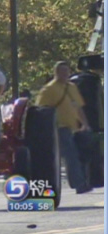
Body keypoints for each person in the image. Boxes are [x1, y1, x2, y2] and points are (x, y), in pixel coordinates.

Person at [35, 61, 93, 194]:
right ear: (56, 72)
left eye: (66, 71)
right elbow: (41, 110)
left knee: (82, 153)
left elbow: (78, 106)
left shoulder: (72, 87)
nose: (65, 74)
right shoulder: (49, 89)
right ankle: (79, 184)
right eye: (61, 71)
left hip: (74, 127)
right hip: (59, 128)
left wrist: (85, 124)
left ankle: (83, 180)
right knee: (71, 155)